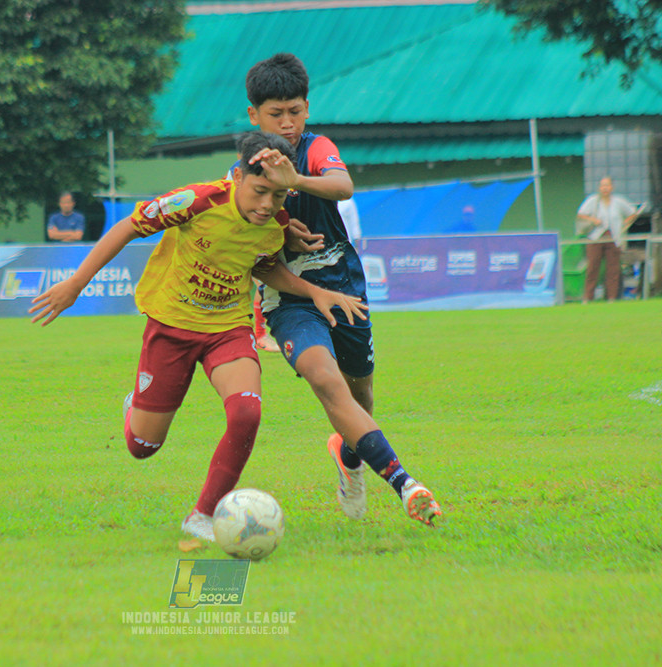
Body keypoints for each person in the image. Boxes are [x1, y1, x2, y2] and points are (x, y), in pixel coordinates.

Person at [29, 131, 368, 541]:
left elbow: (264, 267)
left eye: (278, 198)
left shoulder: (276, 223)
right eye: (260, 192)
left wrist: (315, 291)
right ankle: (135, 407)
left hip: (227, 328)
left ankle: (204, 515)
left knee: (247, 412)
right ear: (239, 176)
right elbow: (128, 227)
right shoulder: (197, 200)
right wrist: (75, 284)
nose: (267, 205)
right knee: (142, 448)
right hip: (170, 327)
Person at [244, 53, 441, 526]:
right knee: (325, 380)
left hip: (345, 288)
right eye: (276, 113)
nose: (287, 123)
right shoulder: (245, 172)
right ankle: (405, 483)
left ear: (307, 108)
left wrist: (297, 182)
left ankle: (349, 457)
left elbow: (343, 185)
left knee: (361, 396)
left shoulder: (315, 148)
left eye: (295, 111)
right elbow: (255, 260)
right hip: (291, 300)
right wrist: (281, 231)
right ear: (254, 115)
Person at [576, 177, 642, 303]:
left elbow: (633, 213)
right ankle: (588, 298)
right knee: (592, 268)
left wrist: (624, 224)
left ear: (612, 187)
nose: (605, 188)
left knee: (613, 269)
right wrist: (593, 220)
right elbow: (581, 214)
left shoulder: (618, 202)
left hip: (613, 238)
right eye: (602, 186)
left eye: (607, 185)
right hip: (595, 238)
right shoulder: (593, 201)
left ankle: (611, 297)